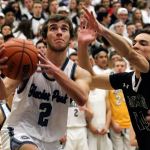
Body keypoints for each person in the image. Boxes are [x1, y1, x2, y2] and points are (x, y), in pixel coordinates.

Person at [0, 14, 91, 150]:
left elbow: (82, 98)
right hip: (19, 131)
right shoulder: (28, 63)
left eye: (64, 29)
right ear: (44, 37)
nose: (59, 32)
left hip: (52, 141)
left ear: (71, 38)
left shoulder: (79, 73)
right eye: (53, 28)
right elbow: (3, 93)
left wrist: (56, 71)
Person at [77, 7, 150, 150]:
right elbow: (89, 78)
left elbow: (129, 54)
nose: (136, 46)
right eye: (134, 42)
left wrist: (102, 30)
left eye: (143, 43)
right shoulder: (126, 79)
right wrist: (82, 44)